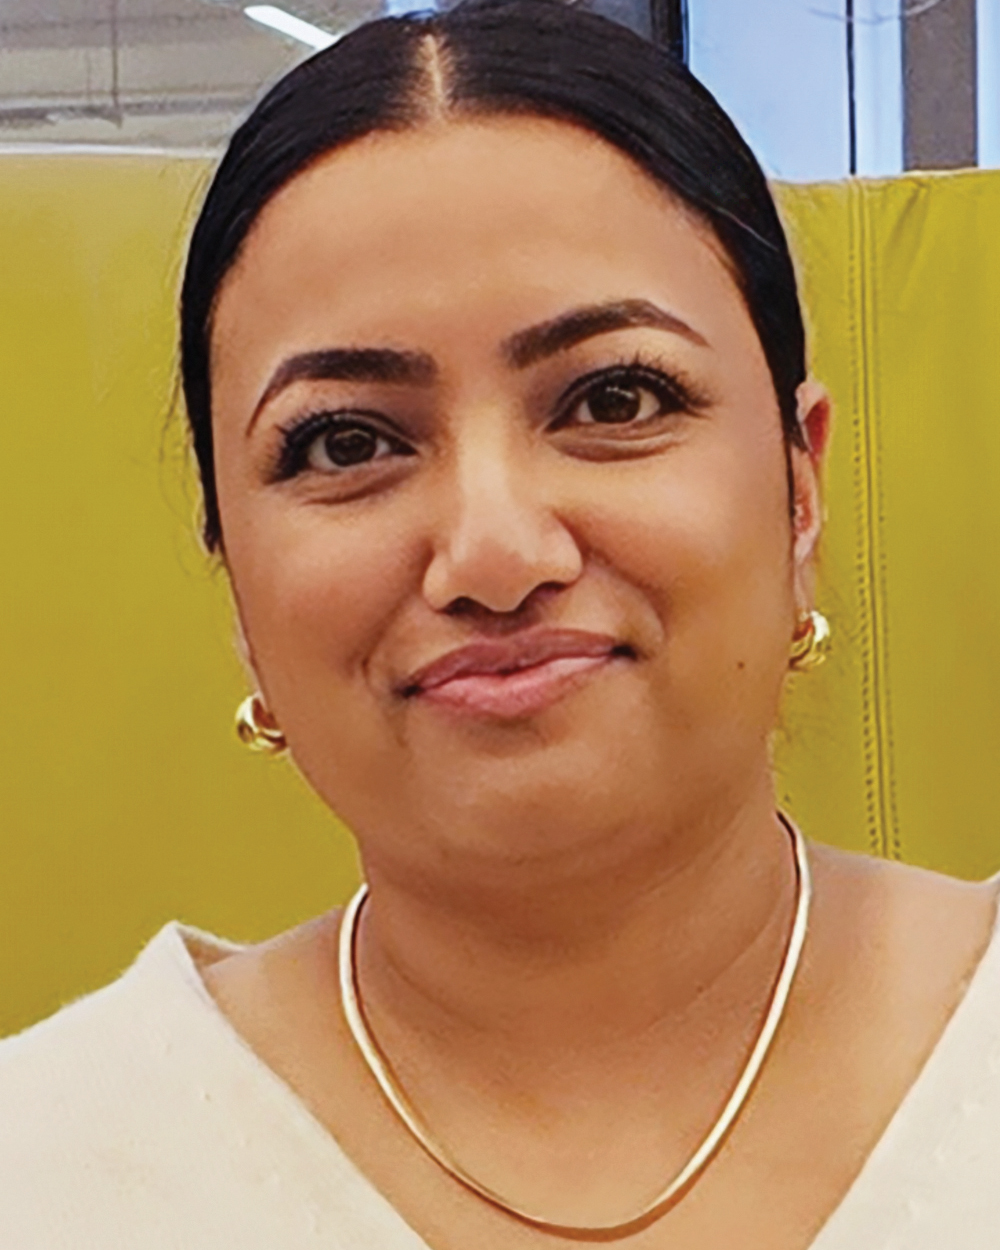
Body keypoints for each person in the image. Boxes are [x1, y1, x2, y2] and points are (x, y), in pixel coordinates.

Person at [2, 1, 998, 1245]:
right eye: (345, 442)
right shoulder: (50, 1167)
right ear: (236, 585)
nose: (494, 554)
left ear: (800, 489)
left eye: (615, 398)